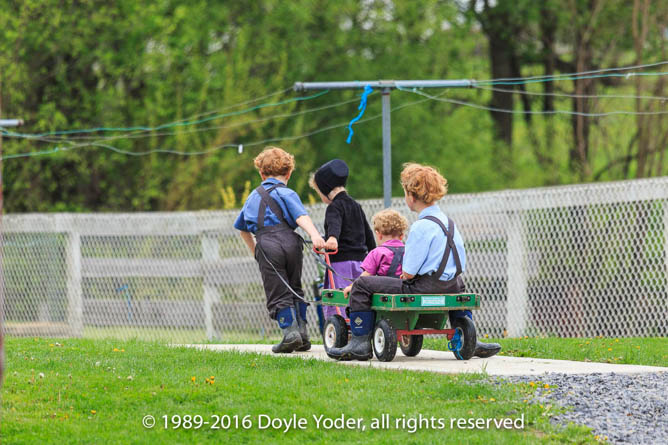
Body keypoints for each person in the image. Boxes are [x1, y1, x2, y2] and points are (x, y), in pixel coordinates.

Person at [328, 163, 502, 361]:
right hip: (452, 285)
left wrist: (407, 274)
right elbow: (460, 261)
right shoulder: (449, 223)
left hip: (422, 288)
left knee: (361, 284)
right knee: (459, 285)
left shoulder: (421, 226)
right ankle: (469, 339)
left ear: (411, 196)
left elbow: (409, 272)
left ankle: (359, 342)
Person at [235, 146, 325, 354]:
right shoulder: (288, 193)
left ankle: (290, 334)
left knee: (277, 290)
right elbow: (300, 216)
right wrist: (314, 235)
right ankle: (302, 334)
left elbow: (242, 229)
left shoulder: (252, 197)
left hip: (267, 243)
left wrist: (255, 252)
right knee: (294, 286)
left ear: (261, 173)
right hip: (291, 242)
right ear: (289, 173)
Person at [309, 159, 375, 320]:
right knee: (360, 298)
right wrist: (375, 254)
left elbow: (335, 223)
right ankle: (360, 324)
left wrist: (332, 238)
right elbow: (368, 233)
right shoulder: (356, 206)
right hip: (361, 264)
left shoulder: (334, 207)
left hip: (341, 264)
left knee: (339, 299)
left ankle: (340, 326)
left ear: (325, 190)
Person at [342, 209, 409, 297]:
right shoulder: (408, 251)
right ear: (402, 236)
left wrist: (352, 287)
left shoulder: (377, 252)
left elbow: (365, 276)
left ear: (379, 234)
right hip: (405, 292)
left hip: (383, 293)